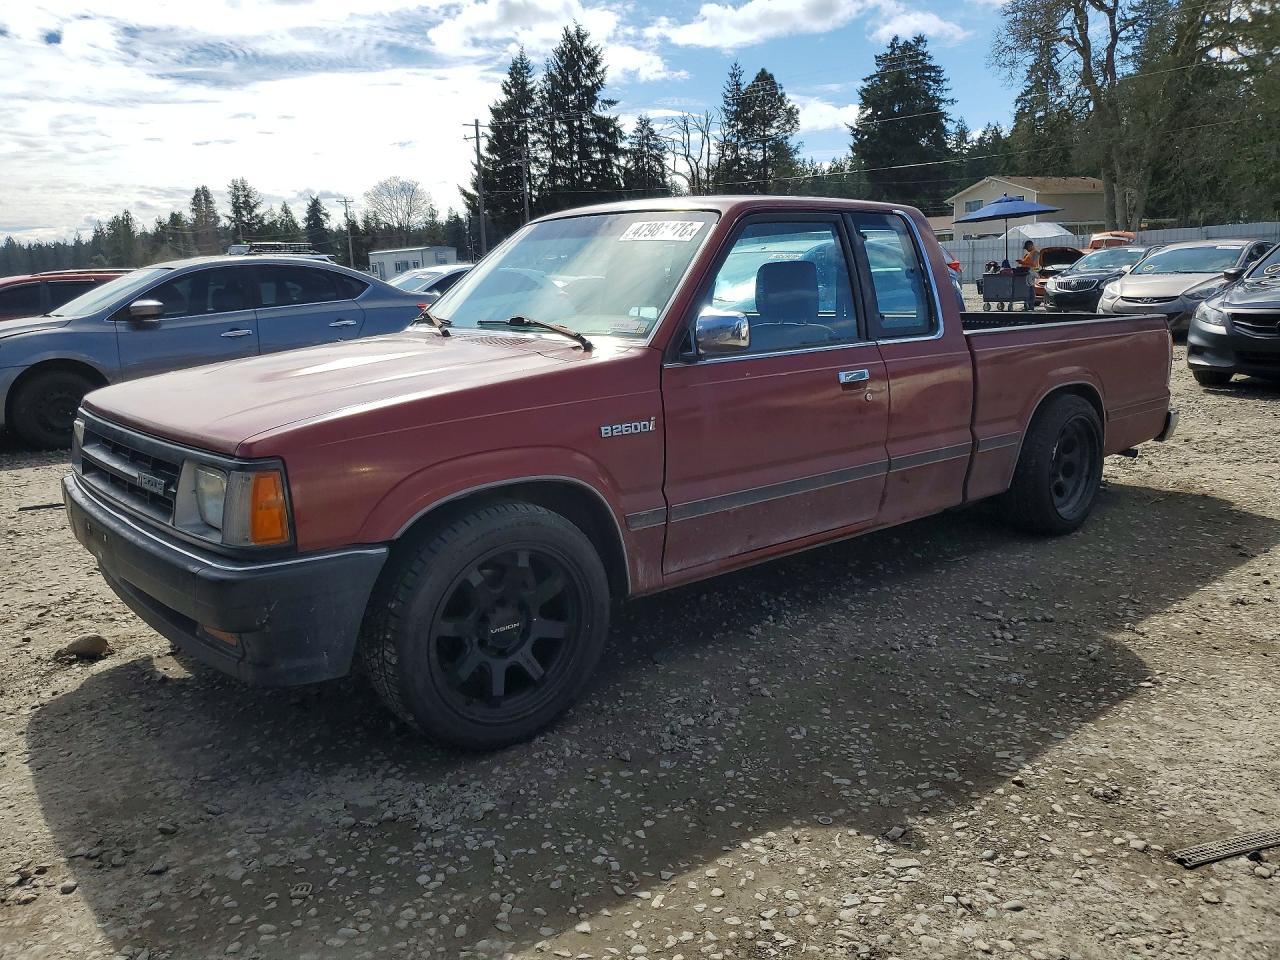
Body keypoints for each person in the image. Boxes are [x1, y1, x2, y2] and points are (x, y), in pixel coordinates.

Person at [1016, 240, 1040, 309]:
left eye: (1027, 248)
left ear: (1030, 245)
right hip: (1027, 272)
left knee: (1030, 289)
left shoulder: (1035, 253)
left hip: (1031, 272)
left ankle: (1030, 305)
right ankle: (1027, 305)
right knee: (1028, 289)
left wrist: (1022, 262)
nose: (1026, 249)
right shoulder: (1030, 253)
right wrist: (1022, 262)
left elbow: (1033, 264)